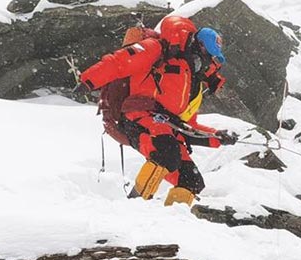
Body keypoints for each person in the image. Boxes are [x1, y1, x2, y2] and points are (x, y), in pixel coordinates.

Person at [80, 16, 238, 206]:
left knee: (191, 180)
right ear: (196, 44)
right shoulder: (159, 49)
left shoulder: (191, 81)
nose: (205, 59)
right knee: (166, 152)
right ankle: (133, 206)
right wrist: (88, 79)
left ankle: (170, 219)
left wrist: (217, 137)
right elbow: (119, 62)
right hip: (139, 116)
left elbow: (190, 126)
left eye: (209, 56)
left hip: (167, 127)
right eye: (205, 51)